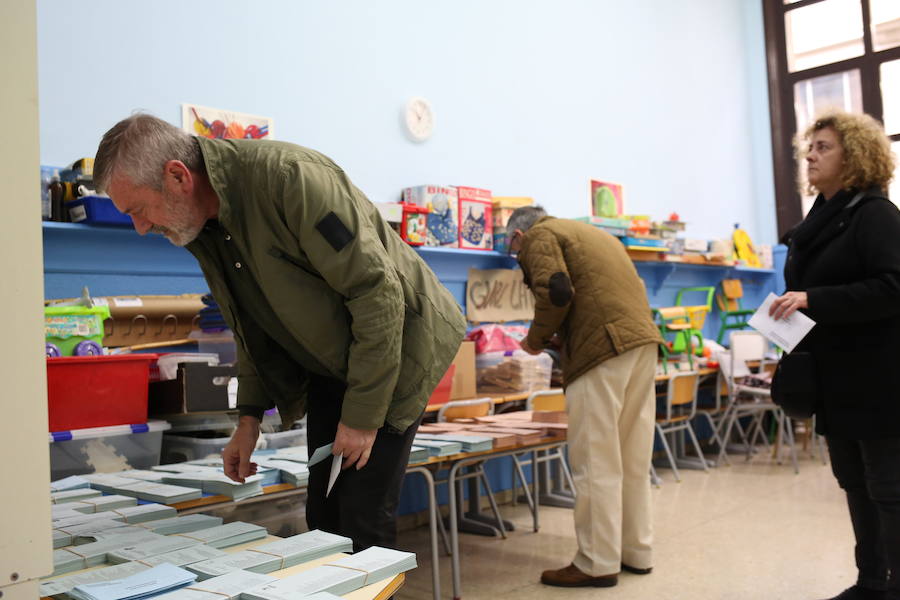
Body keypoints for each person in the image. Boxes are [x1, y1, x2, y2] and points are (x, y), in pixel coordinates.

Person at [93, 113, 466, 551]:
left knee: (361, 516)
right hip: (334, 361)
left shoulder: (291, 180)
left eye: (138, 210)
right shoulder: (201, 226)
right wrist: (248, 419)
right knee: (324, 513)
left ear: (177, 176)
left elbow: (377, 293)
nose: (140, 227)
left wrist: (363, 418)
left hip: (399, 343)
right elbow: (251, 323)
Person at [769, 110, 900, 600]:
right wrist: (788, 313)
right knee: (854, 483)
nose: (810, 155)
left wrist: (813, 299)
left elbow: (893, 287)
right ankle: (871, 583)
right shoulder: (817, 220)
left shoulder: (876, 215)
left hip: (880, 377)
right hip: (835, 377)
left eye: (823, 147)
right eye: (810, 147)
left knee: (888, 487)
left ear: (855, 156)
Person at [507, 206, 663, 588]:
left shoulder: (540, 236)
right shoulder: (594, 235)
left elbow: (557, 290)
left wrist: (535, 340)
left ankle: (596, 562)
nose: (512, 252)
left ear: (519, 235)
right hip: (641, 345)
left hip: (601, 350)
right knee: (632, 457)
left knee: (595, 460)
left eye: (510, 245)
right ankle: (636, 552)